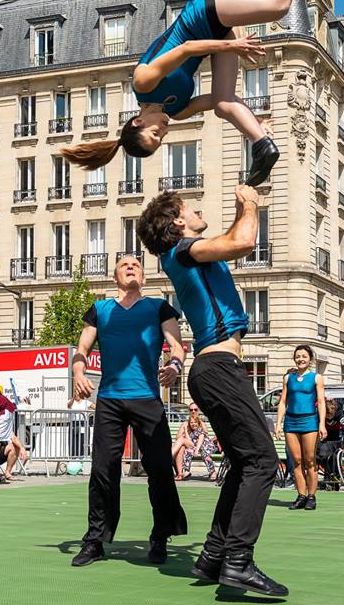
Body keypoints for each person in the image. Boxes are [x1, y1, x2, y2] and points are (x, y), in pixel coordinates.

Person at [61, 0, 344, 188]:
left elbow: (187, 48)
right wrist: (255, 124)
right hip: (217, 40)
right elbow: (217, 101)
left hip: (202, 13)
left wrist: (234, 46)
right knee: (224, 102)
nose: (164, 131)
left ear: (138, 121)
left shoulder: (144, 82)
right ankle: (262, 145)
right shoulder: (178, 111)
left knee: (277, 5)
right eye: (161, 139)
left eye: (155, 133)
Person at [138, 185, 287, 598]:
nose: (197, 208)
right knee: (262, 461)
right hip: (218, 367)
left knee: (243, 464)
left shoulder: (185, 254)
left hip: (212, 368)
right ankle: (238, 562)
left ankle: (213, 556)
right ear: (177, 222)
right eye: (189, 207)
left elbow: (232, 238)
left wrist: (244, 205)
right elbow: (243, 241)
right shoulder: (185, 250)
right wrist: (252, 203)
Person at [69, 254, 188, 568]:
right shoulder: (100, 310)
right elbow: (81, 351)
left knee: (160, 469)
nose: (131, 266)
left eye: (136, 263)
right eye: (124, 264)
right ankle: (95, 541)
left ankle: (160, 536)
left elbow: (177, 346)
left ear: (145, 278)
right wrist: (78, 374)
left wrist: (175, 365)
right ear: (115, 278)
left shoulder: (159, 307)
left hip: (147, 399)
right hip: (109, 399)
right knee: (102, 471)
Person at [276, 345, 326, 510]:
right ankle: (301, 495)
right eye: (298, 356)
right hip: (291, 422)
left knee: (310, 461)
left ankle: (312, 496)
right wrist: (278, 424)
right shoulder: (287, 378)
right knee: (296, 461)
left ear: (310, 358)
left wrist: (321, 424)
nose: (300, 359)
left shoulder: (316, 377)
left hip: (309, 421)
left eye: (304, 356)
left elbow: (321, 402)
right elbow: (283, 402)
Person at [173, 403, 218, 480]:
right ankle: (181, 473)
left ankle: (169, 456)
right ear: (189, 411)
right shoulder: (185, 423)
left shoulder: (201, 423)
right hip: (191, 445)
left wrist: (185, 433)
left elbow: (203, 436)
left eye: (195, 409)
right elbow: (177, 437)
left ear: (198, 410)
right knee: (181, 448)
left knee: (183, 441)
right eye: (191, 410)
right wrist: (185, 431)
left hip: (202, 446)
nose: (193, 411)